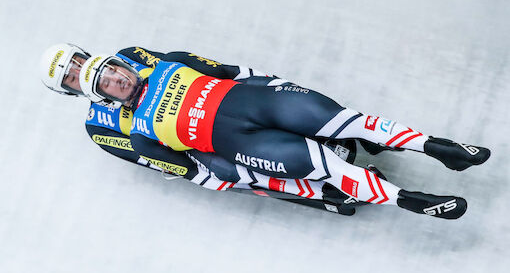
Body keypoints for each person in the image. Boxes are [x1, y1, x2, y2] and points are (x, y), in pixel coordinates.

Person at [75, 46, 491, 220]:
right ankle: (412, 201)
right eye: (106, 82)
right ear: (102, 97)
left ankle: (438, 146)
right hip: (246, 146)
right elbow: (187, 169)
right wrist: (234, 177)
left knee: (349, 120)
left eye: (114, 68)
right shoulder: (142, 133)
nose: (117, 78)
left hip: (260, 104)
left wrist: (274, 83)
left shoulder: (168, 62)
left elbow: (229, 71)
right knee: (323, 164)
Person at [40, 44, 363, 216]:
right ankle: (322, 190)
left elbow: (196, 66)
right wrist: (198, 168)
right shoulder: (98, 125)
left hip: (215, 99)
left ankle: (342, 124)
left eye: (78, 62)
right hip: (193, 141)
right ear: (70, 91)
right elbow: (155, 159)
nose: (80, 72)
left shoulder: (127, 56)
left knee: (254, 87)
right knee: (221, 169)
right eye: (71, 77)